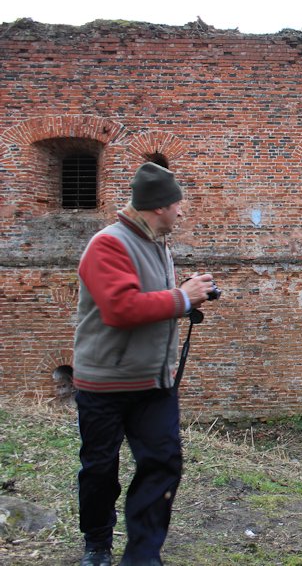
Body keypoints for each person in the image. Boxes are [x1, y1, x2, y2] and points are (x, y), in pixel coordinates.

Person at [73, 162, 215, 566]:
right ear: (159, 208)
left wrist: (189, 297)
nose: (181, 213)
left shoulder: (158, 244)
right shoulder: (108, 244)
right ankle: (97, 544)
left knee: (163, 463)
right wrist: (181, 299)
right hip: (105, 382)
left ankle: (143, 555)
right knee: (100, 470)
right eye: (177, 206)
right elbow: (120, 308)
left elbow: (150, 301)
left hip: (154, 383)